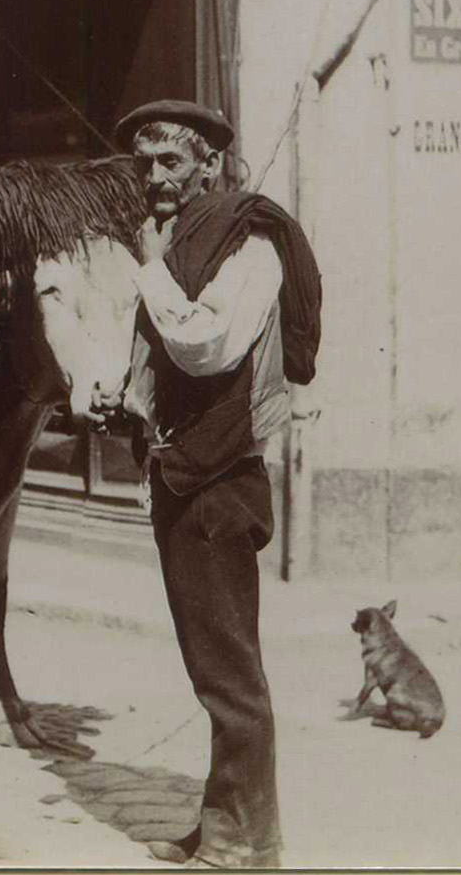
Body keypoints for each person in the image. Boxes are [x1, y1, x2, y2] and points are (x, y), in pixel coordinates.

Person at [92, 99, 322, 871]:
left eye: (171, 162)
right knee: (215, 669)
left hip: (220, 483)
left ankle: (244, 843)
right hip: (183, 476)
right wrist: (118, 394)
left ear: (211, 165)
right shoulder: (181, 241)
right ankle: (230, 824)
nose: (155, 177)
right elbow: (163, 355)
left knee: (229, 678)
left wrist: (149, 267)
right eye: (145, 163)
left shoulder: (246, 242)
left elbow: (205, 345)